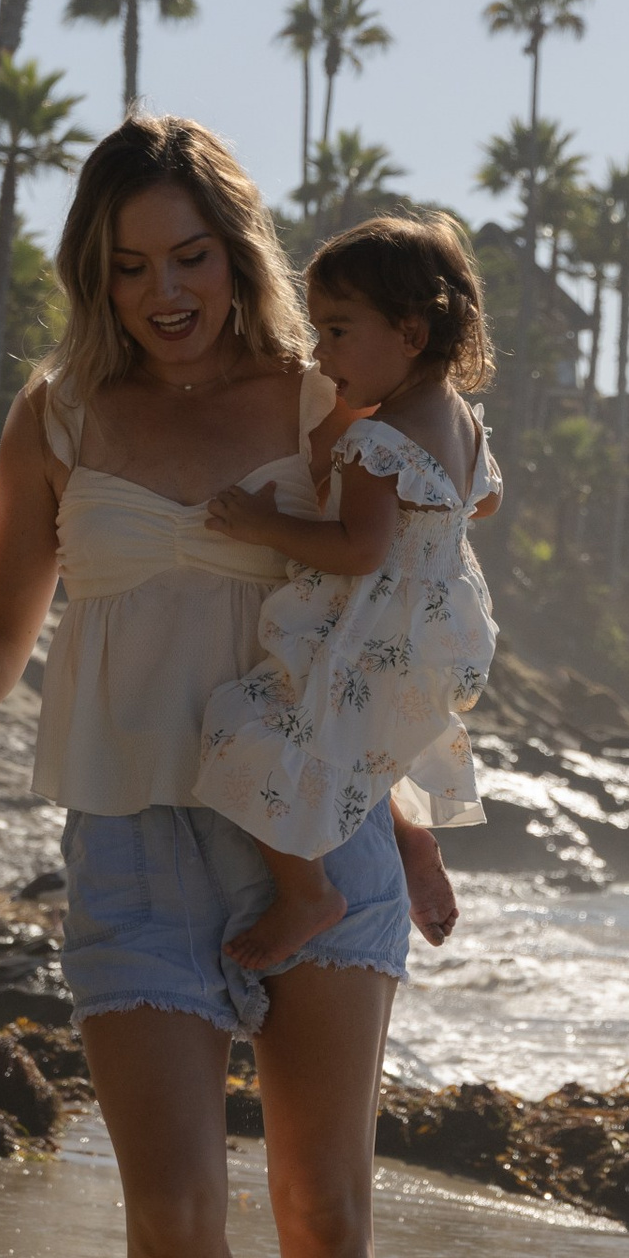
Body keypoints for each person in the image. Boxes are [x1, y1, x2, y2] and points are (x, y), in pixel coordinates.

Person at [0, 117, 456, 1258]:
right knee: (172, 1210)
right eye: (129, 268)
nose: (164, 292)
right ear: (93, 280)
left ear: (236, 254)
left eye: (189, 257)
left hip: (321, 838)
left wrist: (417, 814)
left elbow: (407, 618)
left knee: (324, 1208)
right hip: (135, 847)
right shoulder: (57, 418)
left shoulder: (333, 402)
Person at [192, 216, 500, 971]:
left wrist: (265, 523)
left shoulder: (379, 441)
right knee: (348, 749)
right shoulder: (460, 422)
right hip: (437, 631)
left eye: (335, 331)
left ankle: (306, 894)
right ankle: (407, 837)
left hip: (366, 629)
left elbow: (358, 550)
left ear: (409, 332)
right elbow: (482, 501)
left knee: (248, 734)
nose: (318, 353)